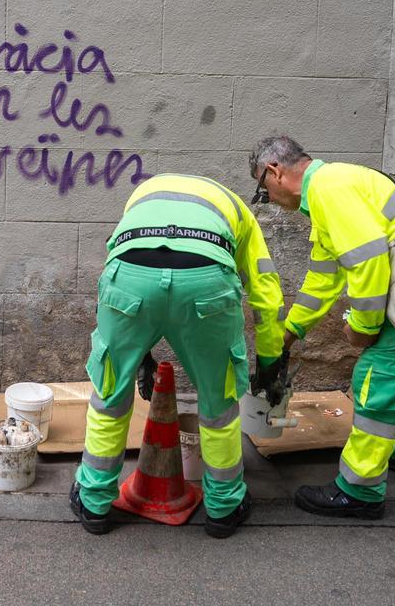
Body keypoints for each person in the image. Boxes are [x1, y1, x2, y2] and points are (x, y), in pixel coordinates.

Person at [249, 136, 395, 519]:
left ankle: (359, 490)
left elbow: (368, 264)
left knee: (378, 377)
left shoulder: (329, 190)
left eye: (265, 192)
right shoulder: (331, 191)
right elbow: (323, 280)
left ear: (275, 172)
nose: (271, 202)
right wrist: (291, 330)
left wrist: (363, 327)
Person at [71, 174, 285, 538]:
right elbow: (266, 294)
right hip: (205, 280)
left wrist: (140, 355)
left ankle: (93, 503)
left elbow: (139, 265)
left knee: (110, 392)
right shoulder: (238, 211)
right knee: (219, 404)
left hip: (129, 275)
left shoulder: (143, 195)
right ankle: (224, 509)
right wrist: (269, 364)